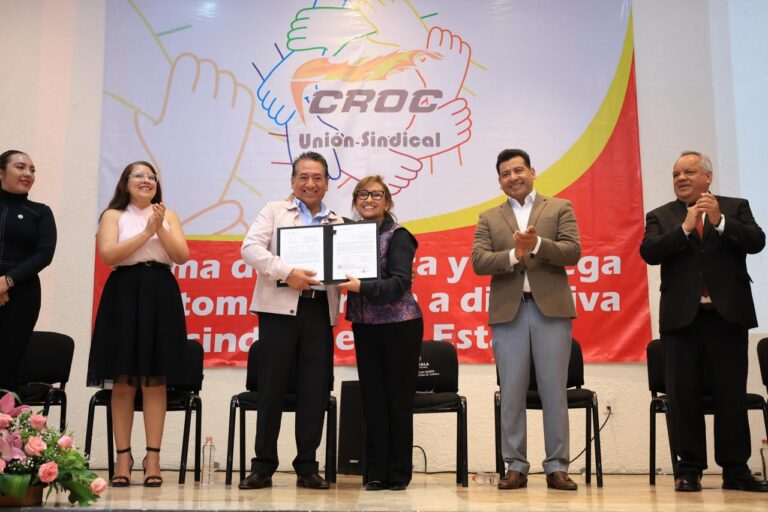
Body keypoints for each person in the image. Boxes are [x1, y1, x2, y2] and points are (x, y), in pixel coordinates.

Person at [640, 151, 767, 493]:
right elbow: (649, 253)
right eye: (676, 174)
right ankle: (690, 469)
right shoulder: (662, 216)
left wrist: (721, 220)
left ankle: (736, 470)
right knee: (683, 395)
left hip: (727, 316)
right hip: (682, 320)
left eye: (689, 172)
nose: (680, 178)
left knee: (731, 395)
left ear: (707, 177)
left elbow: (757, 242)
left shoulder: (735, 207)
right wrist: (683, 229)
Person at [471, 148, 581, 491]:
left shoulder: (559, 207)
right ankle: (515, 465)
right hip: (509, 311)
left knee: (554, 391)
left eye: (518, 170)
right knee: (512, 391)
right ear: (500, 180)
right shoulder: (489, 217)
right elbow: (478, 261)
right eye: (505, 173)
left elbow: (572, 252)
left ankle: (557, 467)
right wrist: (513, 254)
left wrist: (535, 246)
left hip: (551, 308)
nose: (513, 177)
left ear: (532, 171)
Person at [239, 151, 341, 490]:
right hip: (278, 310)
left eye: (317, 178)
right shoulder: (273, 211)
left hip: (318, 311)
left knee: (314, 390)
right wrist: (288, 272)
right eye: (303, 177)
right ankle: (263, 467)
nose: (310, 183)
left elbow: (346, 268)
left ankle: (307, 467)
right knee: (271, 389)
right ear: (293, 181)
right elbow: (250, 248)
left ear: (327, 183)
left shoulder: (337, 222)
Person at [87, 161, 190, 488]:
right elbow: (109, 255)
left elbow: (181, 255)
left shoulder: (167, 215)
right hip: (124, 293)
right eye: (139, 176)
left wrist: (159, 227)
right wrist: (147, 231)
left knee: (155, 380)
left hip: (161, 293)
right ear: (126, 183)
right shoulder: (114, 215)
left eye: (151, 176)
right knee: (123, 380)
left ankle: (153, 459)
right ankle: (123, 458)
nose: (146, 180)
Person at [337, 176, 423, 491]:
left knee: (397, 400)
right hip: (366, 326)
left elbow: (401, 282)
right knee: (372, 399)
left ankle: (398, 473)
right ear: (355, 201)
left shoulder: (399, 236)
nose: (368, 199)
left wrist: (361, 287)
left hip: (401, 325)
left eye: (376, 194)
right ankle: (374, 472)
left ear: (387, 201)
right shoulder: (349, 236)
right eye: (362, 194)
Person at [0, 150, 57, 393]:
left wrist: (7, 281)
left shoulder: (40, 212)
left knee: (7, 367)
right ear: (1, 173)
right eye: (21, 167)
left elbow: (45, 254)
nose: (28, 174)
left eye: (32, 170)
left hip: (22, 295)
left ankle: (6, 429)